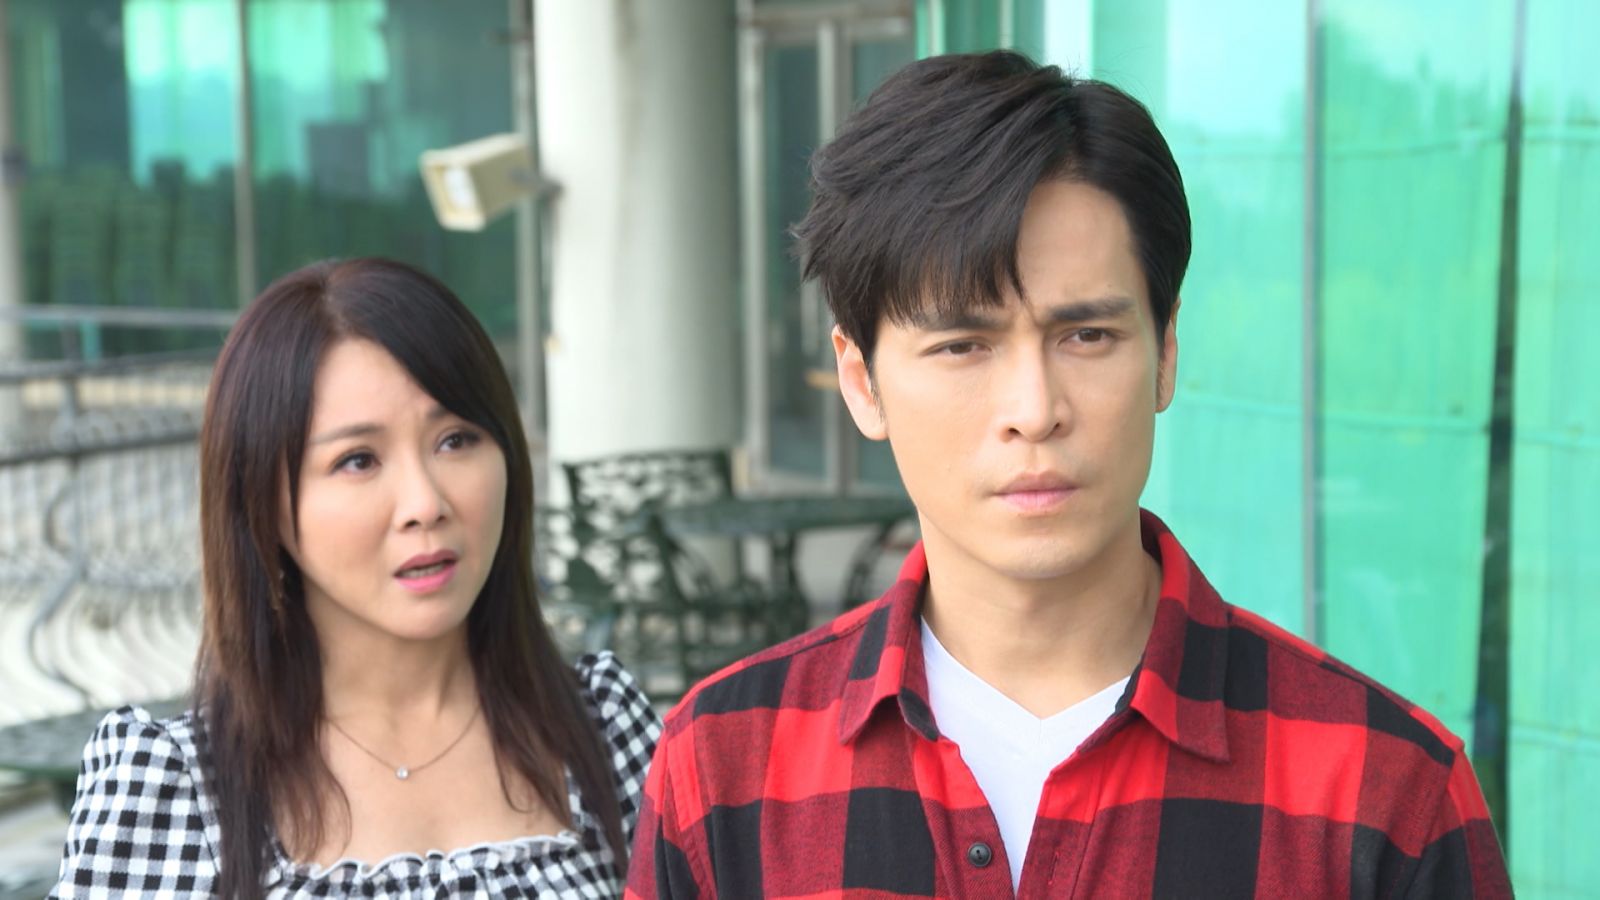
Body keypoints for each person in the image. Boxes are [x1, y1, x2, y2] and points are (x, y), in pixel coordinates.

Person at [626, 51, 1511, 898]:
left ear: (1165, 354)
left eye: (1086, 335)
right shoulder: (725, 766)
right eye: (963, 344)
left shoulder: (1386, 789)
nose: (1034, 408)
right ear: (862, 382)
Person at [54, 258, 660, 898]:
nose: (425, 503)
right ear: (262, 506)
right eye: (358, 460)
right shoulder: (174, 794)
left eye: (455, 440)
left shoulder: (603, 731)